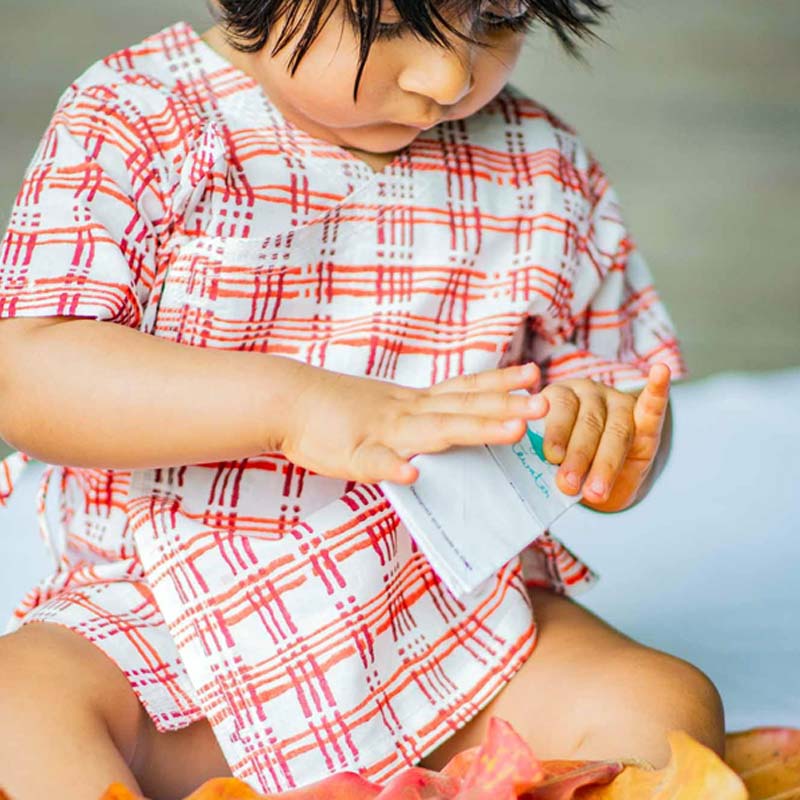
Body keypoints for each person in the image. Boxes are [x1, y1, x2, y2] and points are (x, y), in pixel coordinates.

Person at [0, 1, 724, 798]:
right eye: (384, 26)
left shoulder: (540, 164)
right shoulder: (139, 117)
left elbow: (621, 379)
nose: (447, 76)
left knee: (666, 701)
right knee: (21, 703)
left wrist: (608, 440)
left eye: (499, 18)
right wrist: (294, 406)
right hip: (166, 622)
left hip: (453, 616)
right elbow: (29, 375)